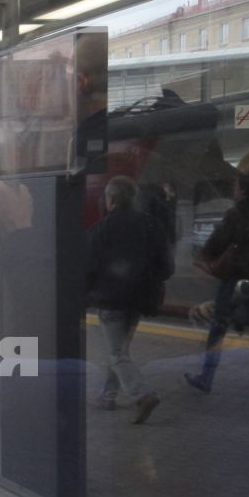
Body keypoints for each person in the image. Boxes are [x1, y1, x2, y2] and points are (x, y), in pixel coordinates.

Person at [182, 148, 249, 404]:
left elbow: (215, 245)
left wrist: (206, 258)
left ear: (243, 189)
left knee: (217, 331)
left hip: (234, 282)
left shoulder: (237, 214)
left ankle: (206, 378)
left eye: (236, 185)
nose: (233, 189)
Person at [86, 176, 172, 424]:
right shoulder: (151, 225)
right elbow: (166, 266)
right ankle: (108, 395)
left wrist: (86, 295)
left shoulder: (102, 228)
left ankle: (143, 394)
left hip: (110, 300)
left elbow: (87, 268)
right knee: (120, 351)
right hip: (139, 299)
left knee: (117, 353)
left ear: (110, 199)